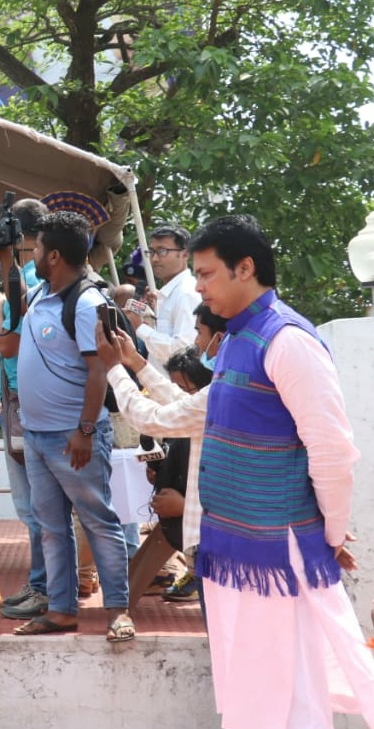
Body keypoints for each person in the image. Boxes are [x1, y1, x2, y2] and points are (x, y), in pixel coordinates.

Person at [188, 214, 374, 728]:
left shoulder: (289, 340)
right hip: (236, 551)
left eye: (206, 274)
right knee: (252, 689)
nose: (199, 288)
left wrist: (331, 533)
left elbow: (333, 449)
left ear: (244, 267)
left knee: (287, 695)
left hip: (278, 552)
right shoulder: (234, 340)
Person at [12, 210, 134, 642]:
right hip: (40, 435)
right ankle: (62, 610)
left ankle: (118, 609)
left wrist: (84, 431)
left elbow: (99, 370)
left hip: (72, 437)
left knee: (98, 519)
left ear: (56, 256)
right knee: (50, 525)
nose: (36, 253)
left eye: (39, 248)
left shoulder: (86, 303)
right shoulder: (42, 294)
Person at [95, 304, 227, 614]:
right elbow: (180, 401)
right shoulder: (227, 387)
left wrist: (114, 368)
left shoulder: (223, 392)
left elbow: (153, 418)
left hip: (223, 540)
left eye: (199, 332)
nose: (195, 343)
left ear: (219, 339)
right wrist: (136, 362)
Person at [0, 197, 50, 620]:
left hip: (23, 401)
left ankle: (44, 586)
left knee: (33, 506)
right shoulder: (41, 278)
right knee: (39, 506)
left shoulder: (23, 282)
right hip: (28, 398)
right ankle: (49, 582)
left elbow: (7, 342)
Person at [125, 225, 202, 371]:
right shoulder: (168, 294)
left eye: (162, 251)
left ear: (185, 254)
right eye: (152, 252)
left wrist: (140, 327)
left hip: (174, 391)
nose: (154, 259)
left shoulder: (186, 293)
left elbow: (184, 351)